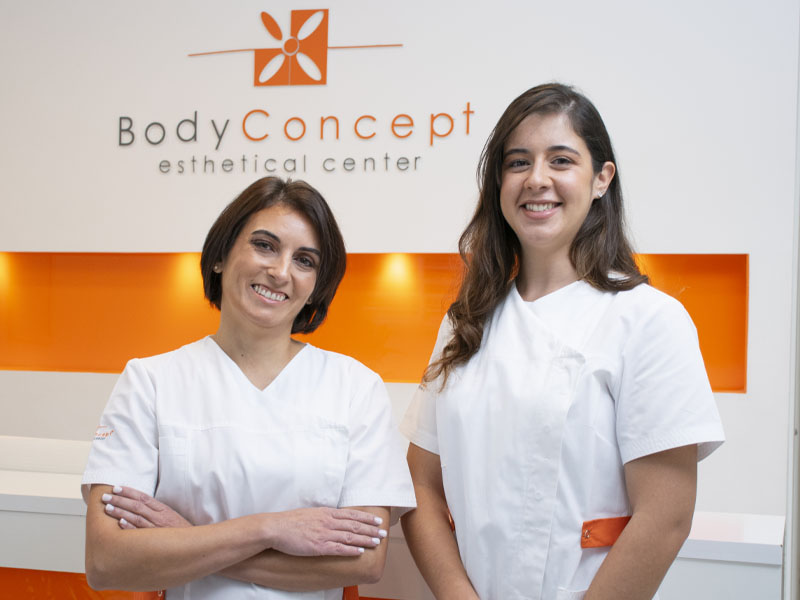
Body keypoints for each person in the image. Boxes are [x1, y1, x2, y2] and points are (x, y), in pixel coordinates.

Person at [399, 83, 725, 600]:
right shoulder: (465, 323)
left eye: (561, 160)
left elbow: (665, 518)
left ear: (601, 179)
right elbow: (421, 485)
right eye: (518, 162)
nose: (537, 179)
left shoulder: (648, 320)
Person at [82, 176, 416, 599]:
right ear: (221, 256)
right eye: (265, 245)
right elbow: (106, 561)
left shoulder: (355, 388)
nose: (280, 272)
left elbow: (364, 561)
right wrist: (270, 529)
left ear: (316, 287)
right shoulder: (150, 381)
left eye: (305, 261)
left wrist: (188, 536)